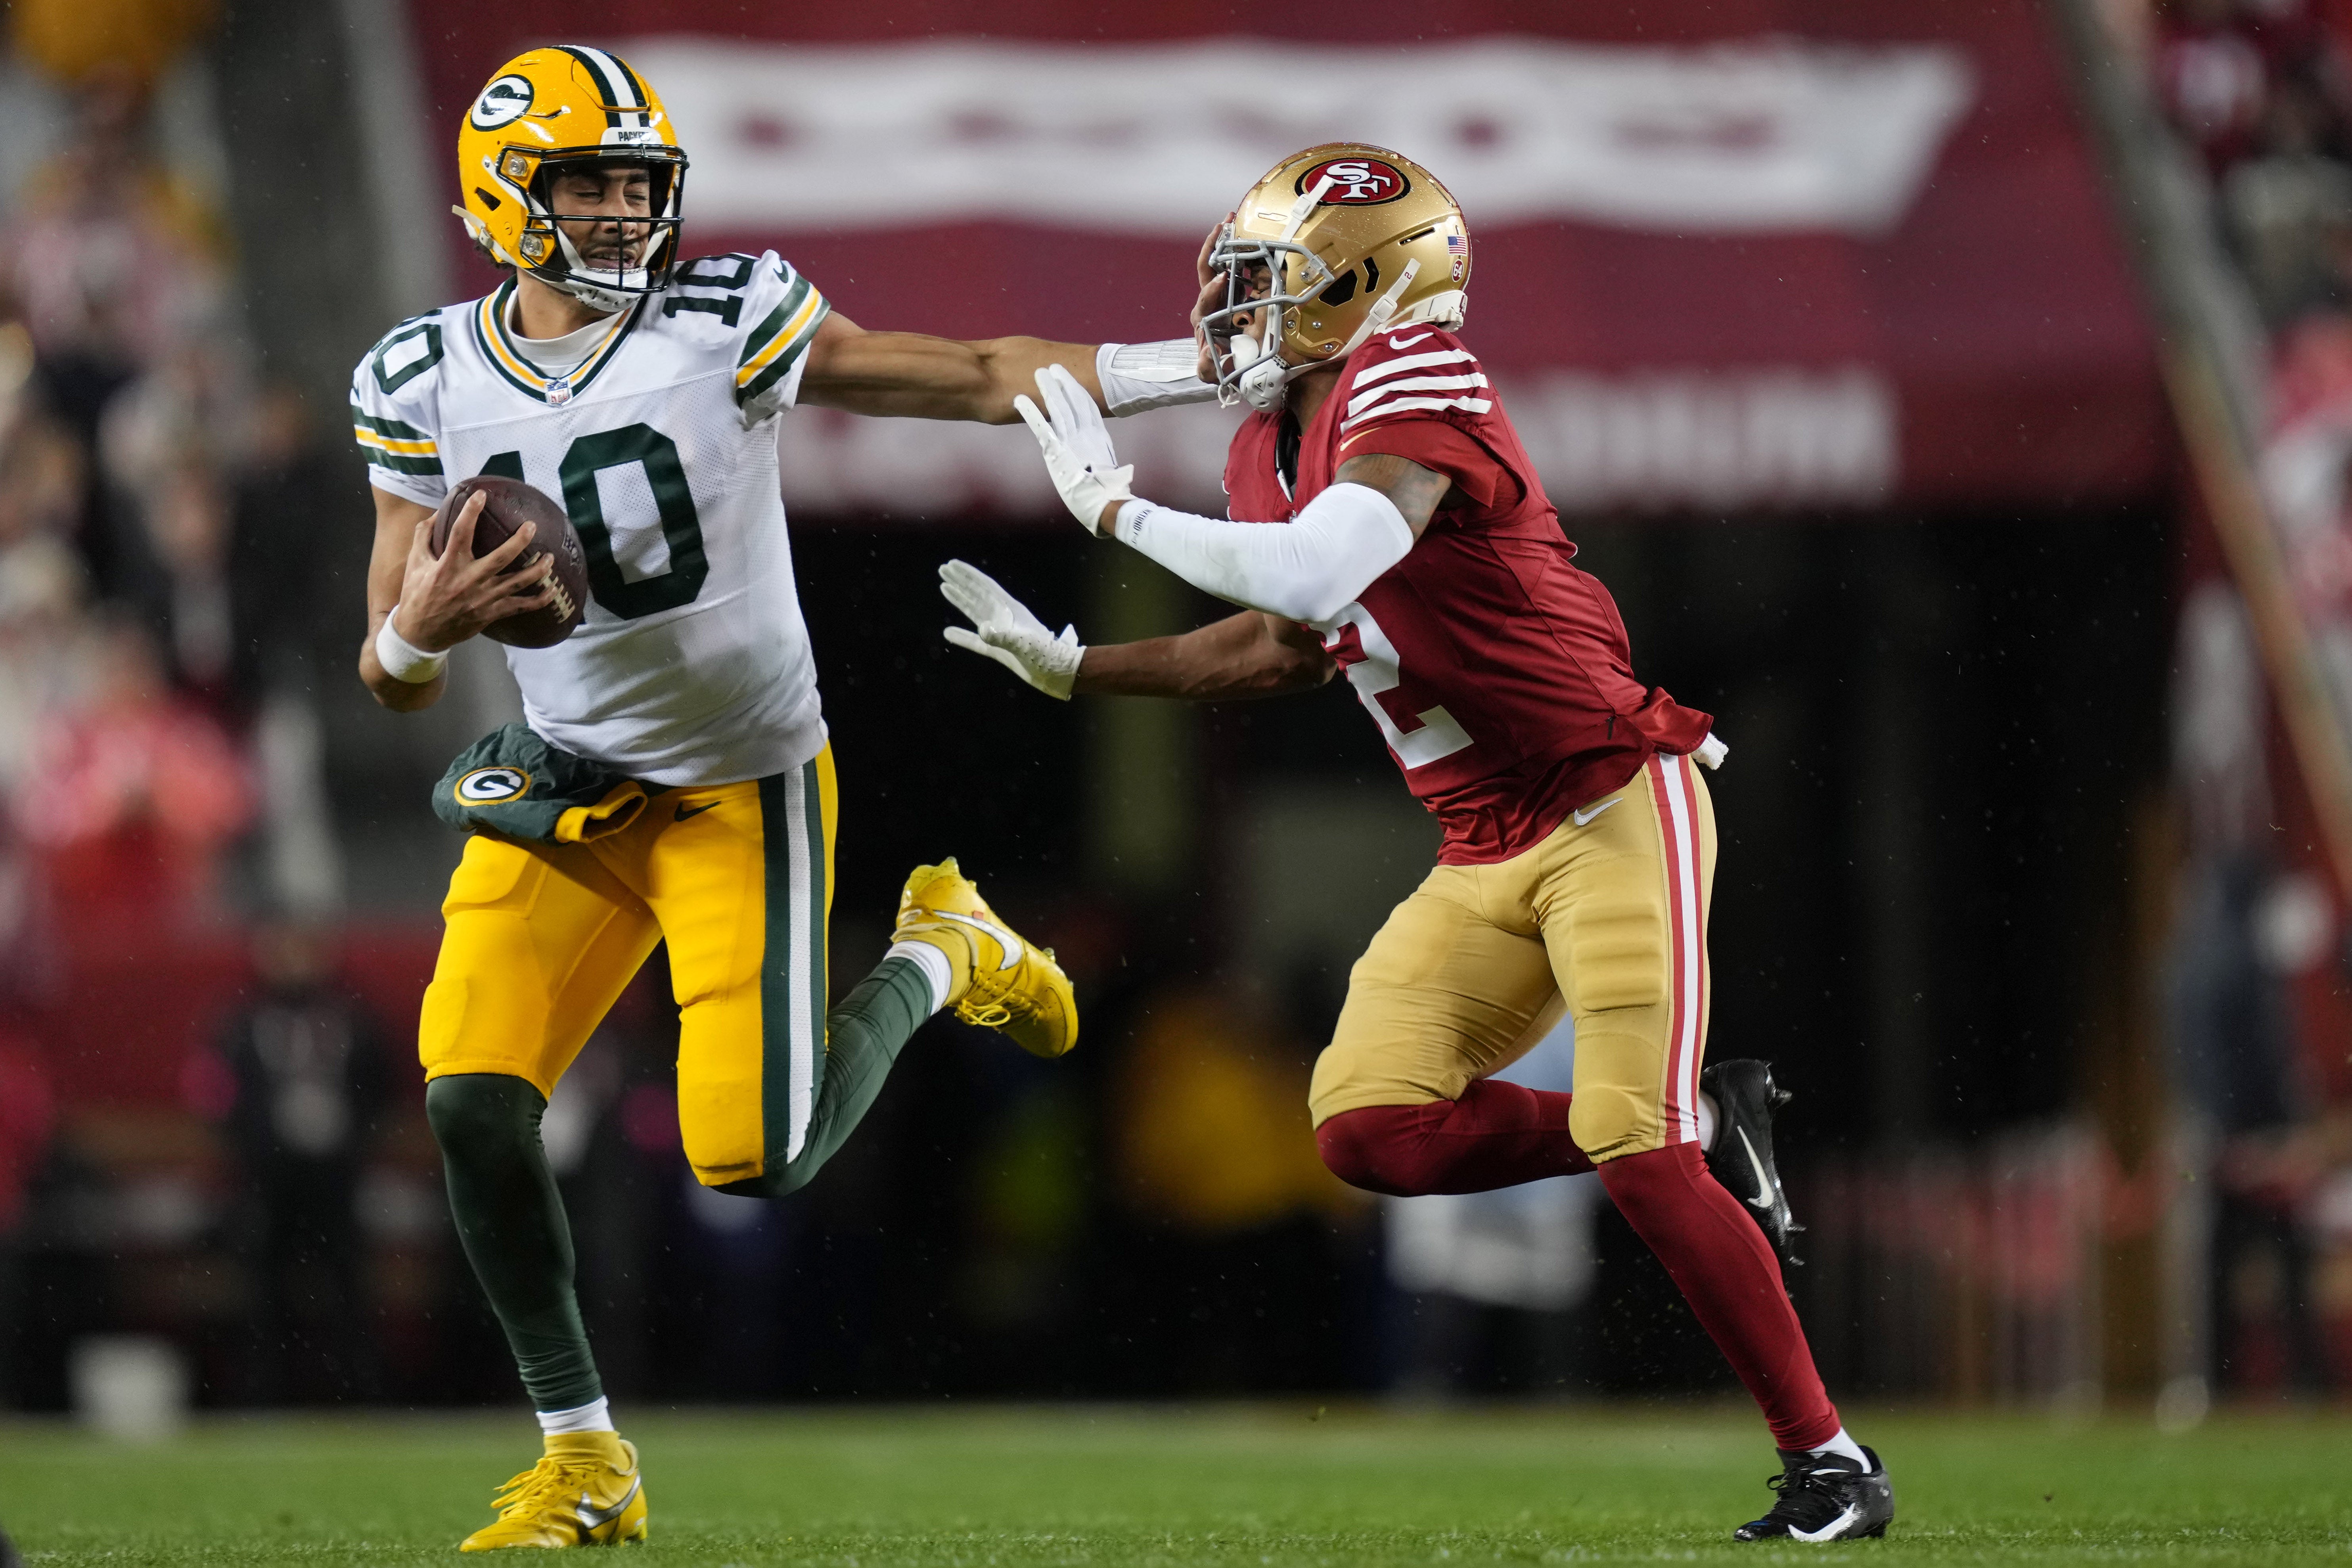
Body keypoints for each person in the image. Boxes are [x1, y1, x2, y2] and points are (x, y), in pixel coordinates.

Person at [943, 143, 1892, 1543]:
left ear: (1374, 288)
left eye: (1269, 289)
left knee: (1634, 1154)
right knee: (1368, 1129)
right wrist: (1084, 670)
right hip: (1483, 844)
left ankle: (1830, 1460)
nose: (1235, 319)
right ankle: (1703, 1126)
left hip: (1609, 801)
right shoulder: (1267, 442)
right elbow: (1278, 645)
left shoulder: (1415, 374)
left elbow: (1325, 569)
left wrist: (1113, 514)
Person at [352, 46, 1213, 1551]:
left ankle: (944, 948)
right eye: (590, 186)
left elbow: (959, 372)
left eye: (638, 186)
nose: (625, 217)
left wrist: (1172, 368)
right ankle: (585, 1456)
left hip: (742, 782)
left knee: (755, 1160)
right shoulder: (421, 377)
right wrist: (417, 632)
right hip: (568, 785)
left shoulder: (722, 319)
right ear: (505, 194)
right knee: (471, 1103)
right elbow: (390, 671)